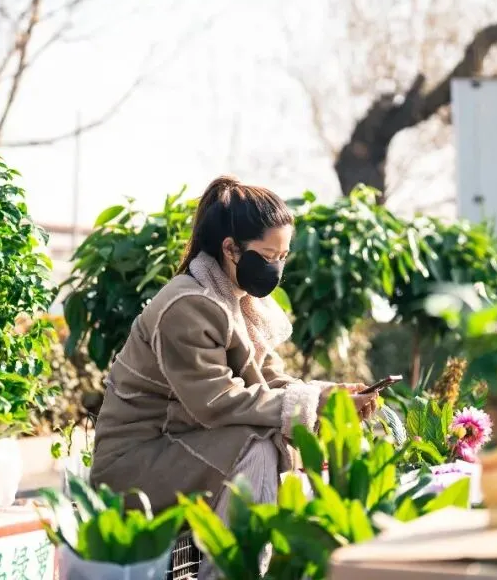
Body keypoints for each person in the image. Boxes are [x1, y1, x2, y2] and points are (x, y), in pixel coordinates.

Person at [90, 176, 376, 577]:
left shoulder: (237, 302)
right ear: (230, 249)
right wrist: (311, 404)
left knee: (270, 438)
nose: (276, 266)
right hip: (135, 462)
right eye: (267, 254)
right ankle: (234, 572)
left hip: (179, 446)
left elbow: (269, 381)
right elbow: (215, 400)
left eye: (283, 256)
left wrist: (330, 397)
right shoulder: (188, 305)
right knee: (256, 445)